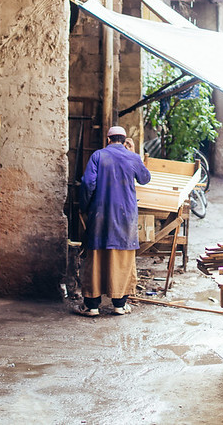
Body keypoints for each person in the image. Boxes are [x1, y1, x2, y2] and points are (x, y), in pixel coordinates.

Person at [77, 125, 151, 316]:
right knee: (123, 257)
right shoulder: (132, 157)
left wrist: (85, 207)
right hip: (126, 216)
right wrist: (135, 154)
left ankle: (92, 306)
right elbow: (145, 178)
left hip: (100, 215)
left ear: (108, 139)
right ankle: (119, 304)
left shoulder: (98, 156)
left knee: (96, 257)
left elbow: (87, 183)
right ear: (124, 139)